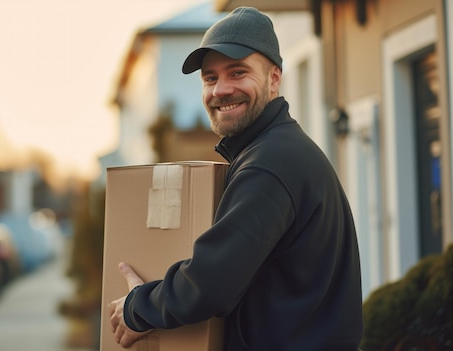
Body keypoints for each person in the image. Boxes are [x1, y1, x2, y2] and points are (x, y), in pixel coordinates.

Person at [108, 6, 363, 351]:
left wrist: (138, 308)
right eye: (210, 78)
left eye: (238, 72)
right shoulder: (276, 150)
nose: (220, 90)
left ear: (274, 78)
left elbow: (211, 282)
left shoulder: (270, 164)